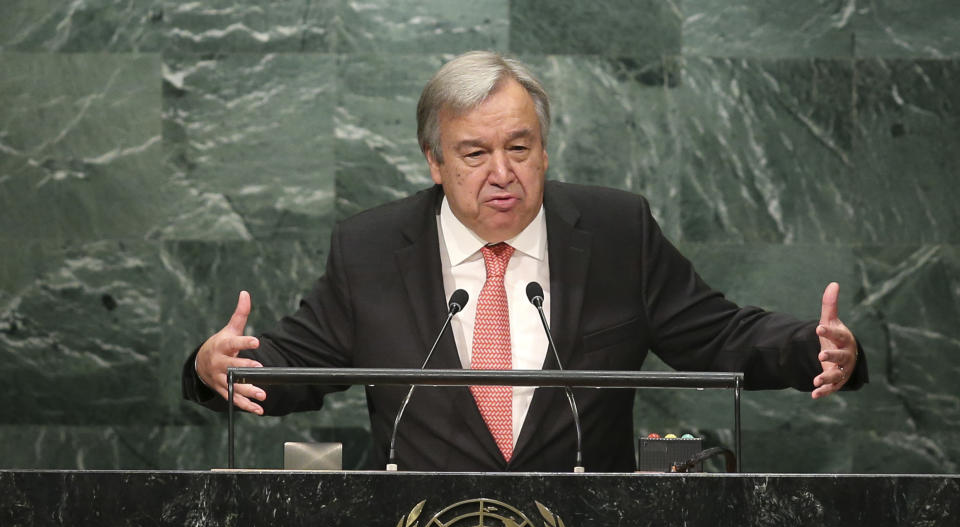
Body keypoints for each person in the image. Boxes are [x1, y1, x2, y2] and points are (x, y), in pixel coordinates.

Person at [183, 50, 867, 472]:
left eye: (519, 146)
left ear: (544, 151)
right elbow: (300, 363)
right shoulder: (371, 248)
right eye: (475, 154)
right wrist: (219, 368)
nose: (502, 173)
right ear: (436, 162)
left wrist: (814, 348)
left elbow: (719, 336)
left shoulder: (613, 231)